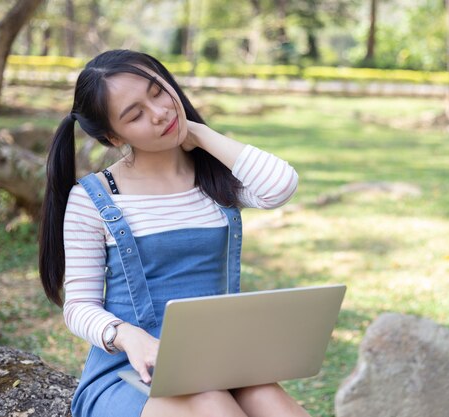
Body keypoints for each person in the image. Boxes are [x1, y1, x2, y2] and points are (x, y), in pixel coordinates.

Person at [39, 49, 308, 417]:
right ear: (114, 137)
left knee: (276, 405)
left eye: (157, 91)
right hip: (130, 371)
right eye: (135, 115)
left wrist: (197, 132)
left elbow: (280, 185)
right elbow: (78, 306)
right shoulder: (93, 199)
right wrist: (128, 337)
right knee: (212, 405)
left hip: (217, 362)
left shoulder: (215, 180)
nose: (159, 112)